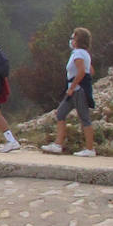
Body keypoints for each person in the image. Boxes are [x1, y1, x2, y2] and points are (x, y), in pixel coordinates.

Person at [41, 27, 96, 157]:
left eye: (73, 38)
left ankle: (90, 148)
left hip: (77, 90)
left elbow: (82, 71)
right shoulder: (84, 54)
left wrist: (72, 86)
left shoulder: (78, 54)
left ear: (78, 40)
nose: (71, 40)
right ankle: (58, 144)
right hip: (76, 89)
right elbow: (90, 71)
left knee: (84, 118)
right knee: (61, 113)